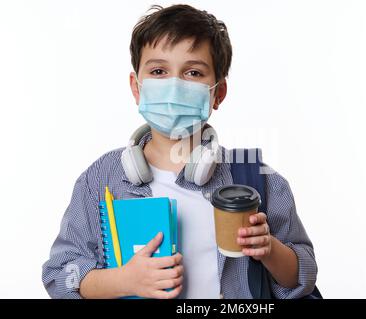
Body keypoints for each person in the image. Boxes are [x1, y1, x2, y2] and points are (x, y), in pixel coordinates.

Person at [42, 4, 318, 299]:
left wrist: (269, 249)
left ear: (218, 93)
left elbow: (303, 273)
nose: (174, 86)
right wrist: (123, 281)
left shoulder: (256, 179)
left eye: (193, 72)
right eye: (159, 71)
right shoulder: (99, 180)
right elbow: (61, 274)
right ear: (137, 88)